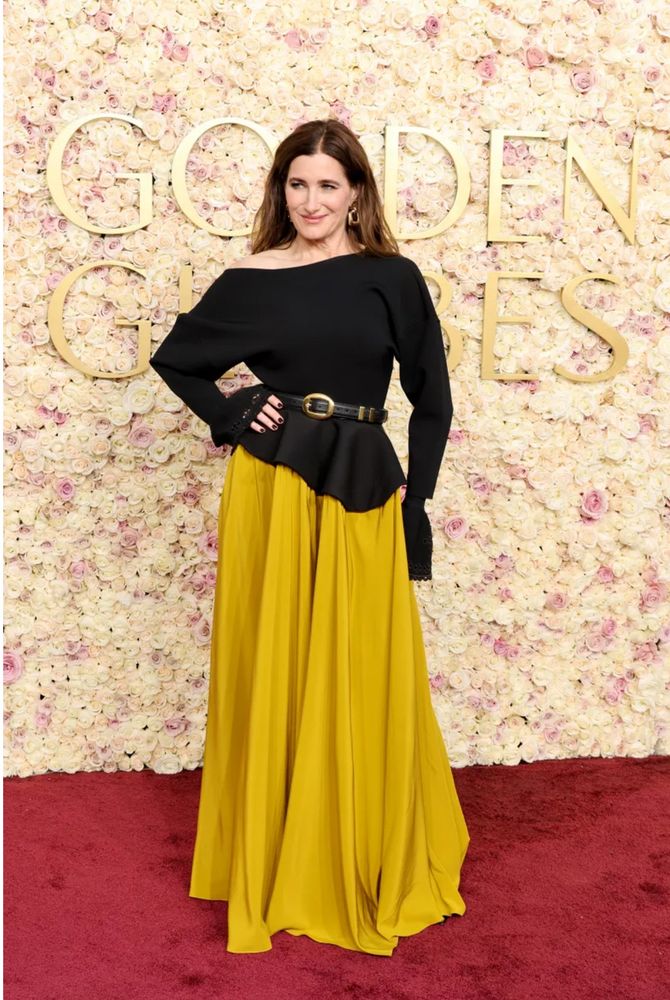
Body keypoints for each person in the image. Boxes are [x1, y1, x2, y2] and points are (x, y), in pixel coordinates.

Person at [149, 118, 470, 956]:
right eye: (298, 184)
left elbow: (431, 399)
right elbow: (177, 360)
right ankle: (278, 852)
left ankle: (354, 851)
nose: (313, 200)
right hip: (273, 486)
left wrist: (417, 502)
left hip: (364, 486)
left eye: (329, 184)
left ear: (357, 192)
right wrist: (231, 410)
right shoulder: (249, 276)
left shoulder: (390, 278)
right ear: (279, 190)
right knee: (277, 660)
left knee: (359, 666)